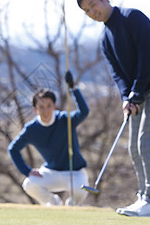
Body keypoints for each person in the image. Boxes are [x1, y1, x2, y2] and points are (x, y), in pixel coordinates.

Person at [76, 0, 150, 217]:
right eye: (86, 10)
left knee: (146, 142)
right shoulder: (105, 39)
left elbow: (147, 55)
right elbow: (118, 75)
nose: (92, 12)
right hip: (137, 93)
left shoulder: (133, 17)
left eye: (93, 5)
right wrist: (126, 98)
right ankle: (143, 198)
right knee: (133, 147)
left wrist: (137, 91)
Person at [8, 71, 90, 206]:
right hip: (50, 172)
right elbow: (13, 149)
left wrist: (73, 89)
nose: (45, 110)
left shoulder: (65, 120)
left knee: (81, 190)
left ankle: (71, 205)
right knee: (29, 184)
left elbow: (84, 112)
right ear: (35, 110)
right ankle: (53, 203)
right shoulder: (31, 129)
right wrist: (27, 171)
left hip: (75, 172)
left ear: (54, 106)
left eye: (48, 106)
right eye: (41, 107)